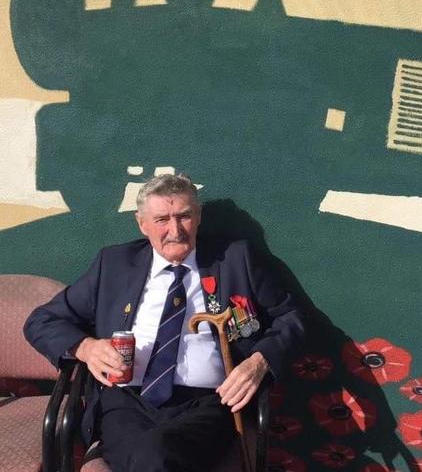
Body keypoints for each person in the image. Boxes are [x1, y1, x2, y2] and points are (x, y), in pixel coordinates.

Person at [24, 174, 305, 472]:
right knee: (152, 455)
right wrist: (86, 348)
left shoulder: (236, 260)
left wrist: (259, 362)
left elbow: (291, 316)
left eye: (184, 216)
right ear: (142, 223)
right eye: (161, 219)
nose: (175, 230)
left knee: (154, 454)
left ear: (198, 218)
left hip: (207, 404)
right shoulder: (114, 264)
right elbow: (42, 320)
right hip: (127, 403)